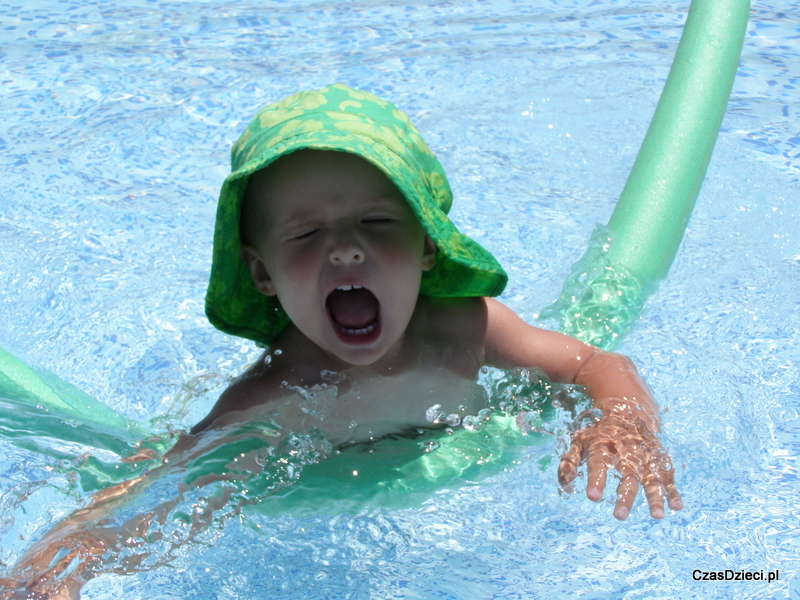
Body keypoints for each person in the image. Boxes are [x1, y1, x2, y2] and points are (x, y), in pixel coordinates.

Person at [0, 83, 681, 599]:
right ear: (261, 273)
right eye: (305, 235)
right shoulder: (278, 393)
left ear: (425, 250)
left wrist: (620, 422)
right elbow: (171, 484)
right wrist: (68, 558)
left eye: (378, 223)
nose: (347, 252)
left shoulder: (463, 326)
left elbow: (596, 364)